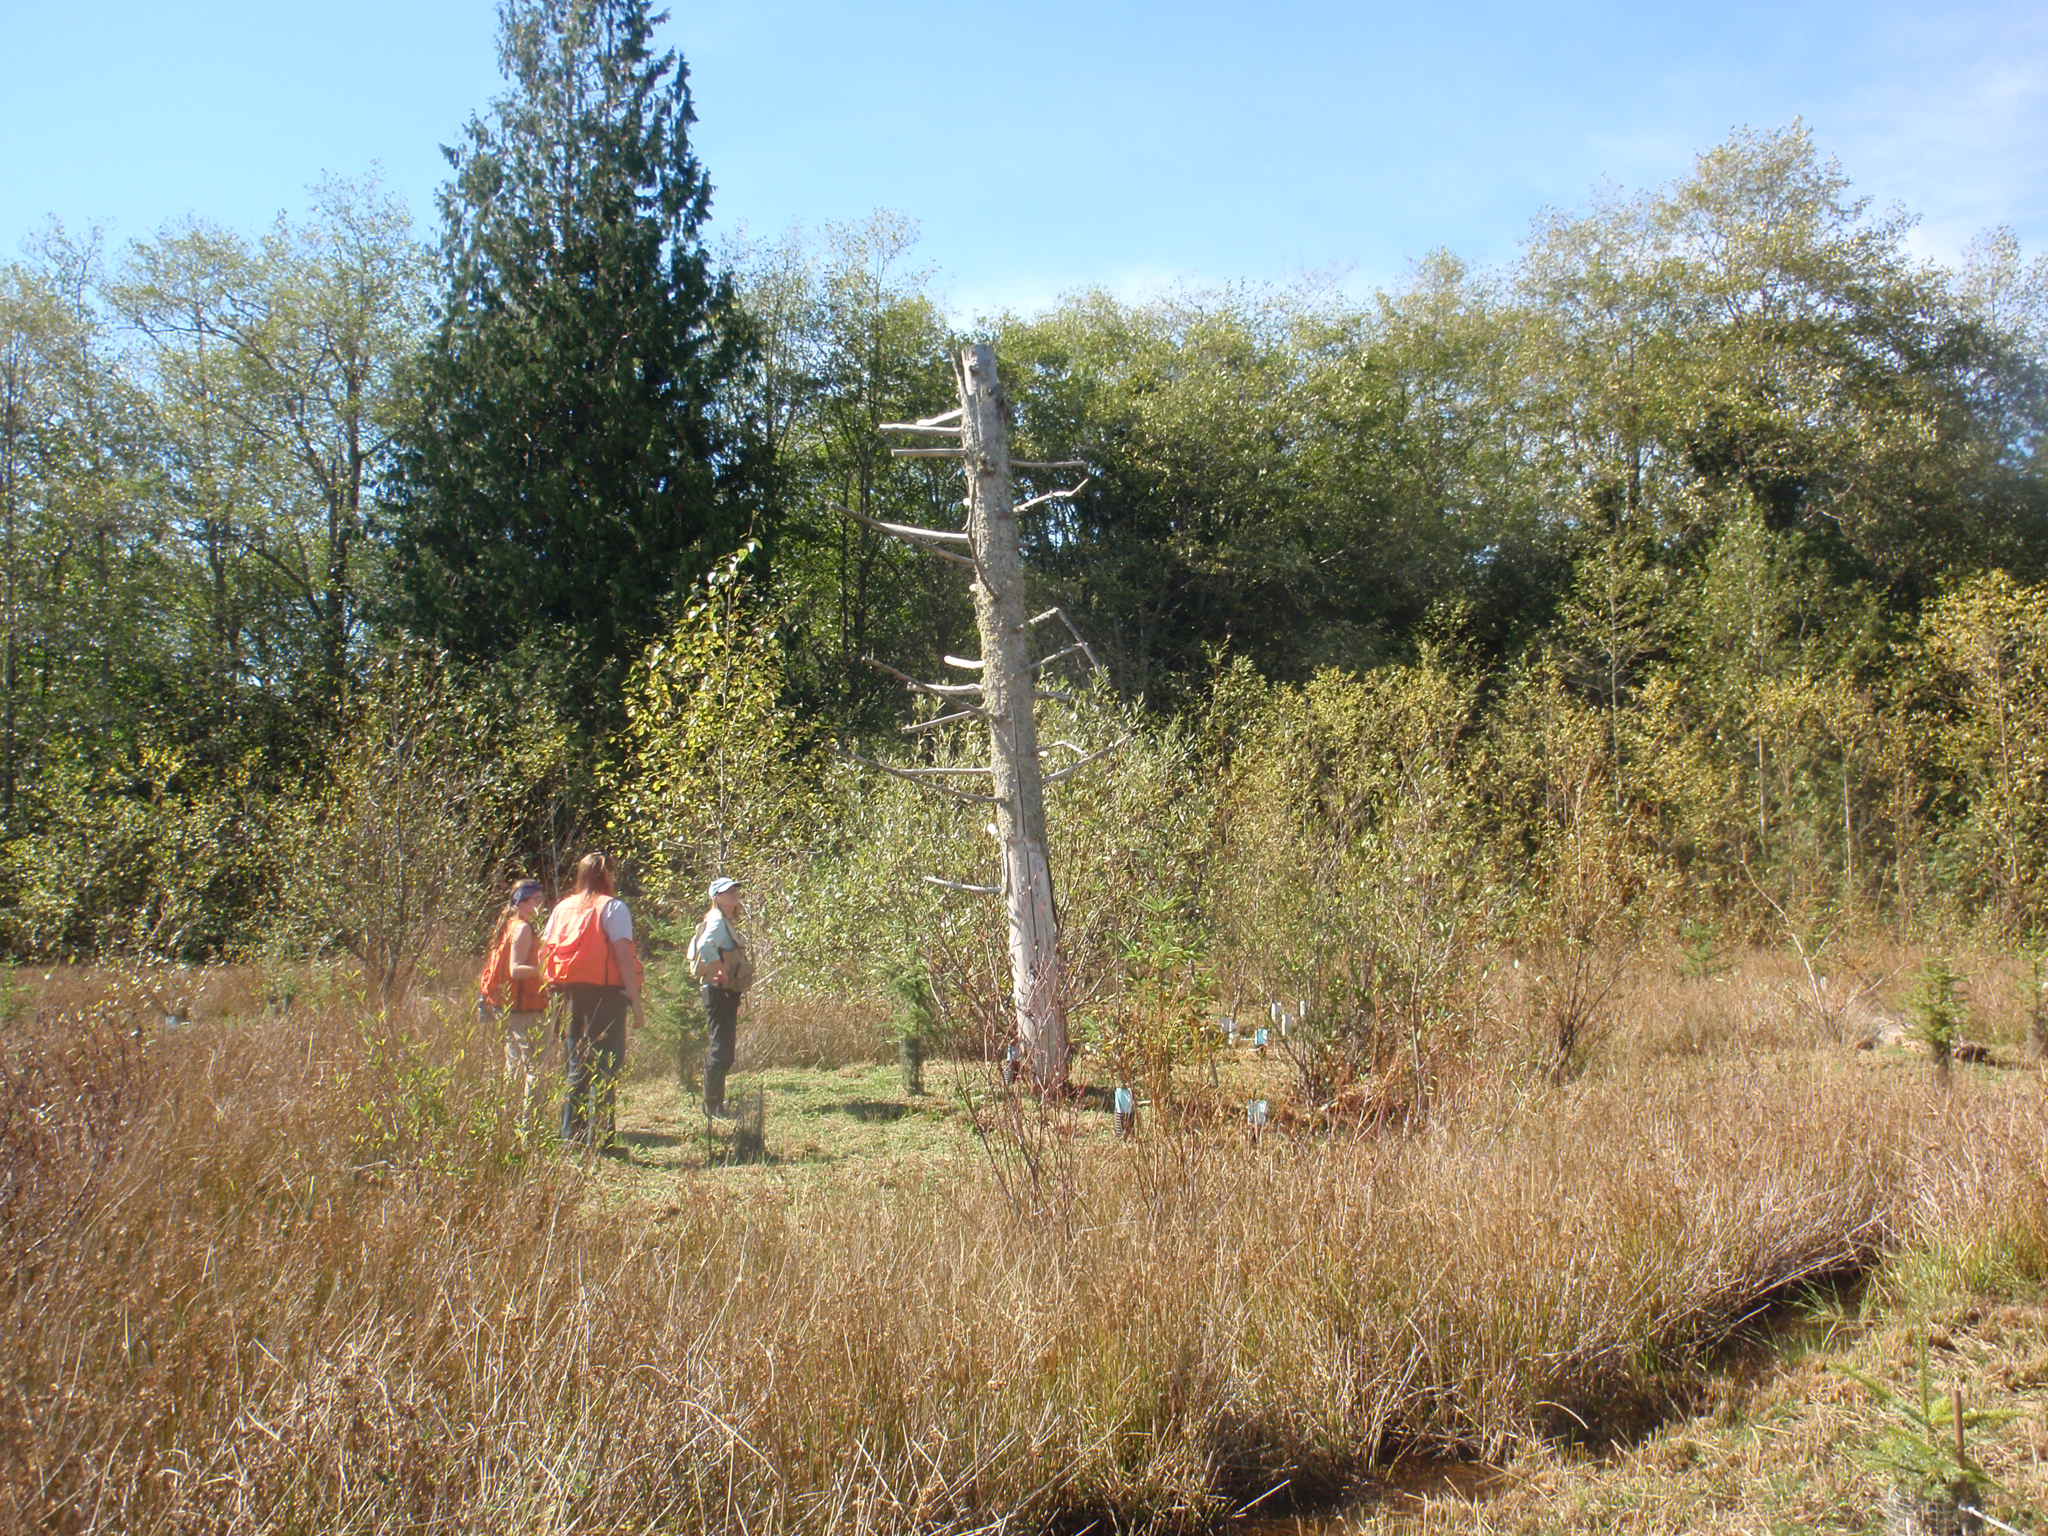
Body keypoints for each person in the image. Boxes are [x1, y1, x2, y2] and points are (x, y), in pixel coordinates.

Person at [541, 853, 642, 1148]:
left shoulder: (562, 908)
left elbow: (546, 952)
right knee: (608, 1063)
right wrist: (636, 1003)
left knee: (577, 1063)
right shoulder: (613, 908)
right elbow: (624, 958)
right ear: (607, 875)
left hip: (568, 995)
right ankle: (603, 1136)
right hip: (606, 995)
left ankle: (571, 1135)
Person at [477, 877, 548, 1125]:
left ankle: (506, 1123)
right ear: (523, 902)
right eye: (536, 900)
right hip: (523, 1007)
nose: (540, 905)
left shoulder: (508, 924)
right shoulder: (523, 929)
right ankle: (529, 1126)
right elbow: (516, 969)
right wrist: (544, 968)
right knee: (534, 1069)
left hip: (509, 1006)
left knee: (514, 1066)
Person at [689, 875, 754, 1118]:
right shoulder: (717, 920)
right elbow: (706, 946)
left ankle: (716, 1104)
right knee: (720, 1049)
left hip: (722, 991)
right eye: (728, 891)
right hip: (718, 991)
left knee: (724, 1048)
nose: (734, 894)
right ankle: (713, 1106)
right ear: (716, 897)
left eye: (735, 890)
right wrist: (719, 970)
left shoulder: (722, 920)